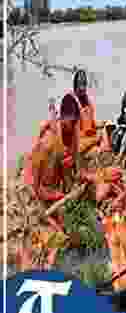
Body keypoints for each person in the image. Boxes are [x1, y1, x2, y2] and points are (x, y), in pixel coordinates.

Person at [17, 95, 84, 270]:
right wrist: (58, 196)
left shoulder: (69, 139)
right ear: (65, 118)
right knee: (55, 240)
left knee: (73, 232)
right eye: (73, 122)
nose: (75, 128)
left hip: (52, 199)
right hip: (32, 199)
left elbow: (71, 177)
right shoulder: (47, 142)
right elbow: (35, 188)